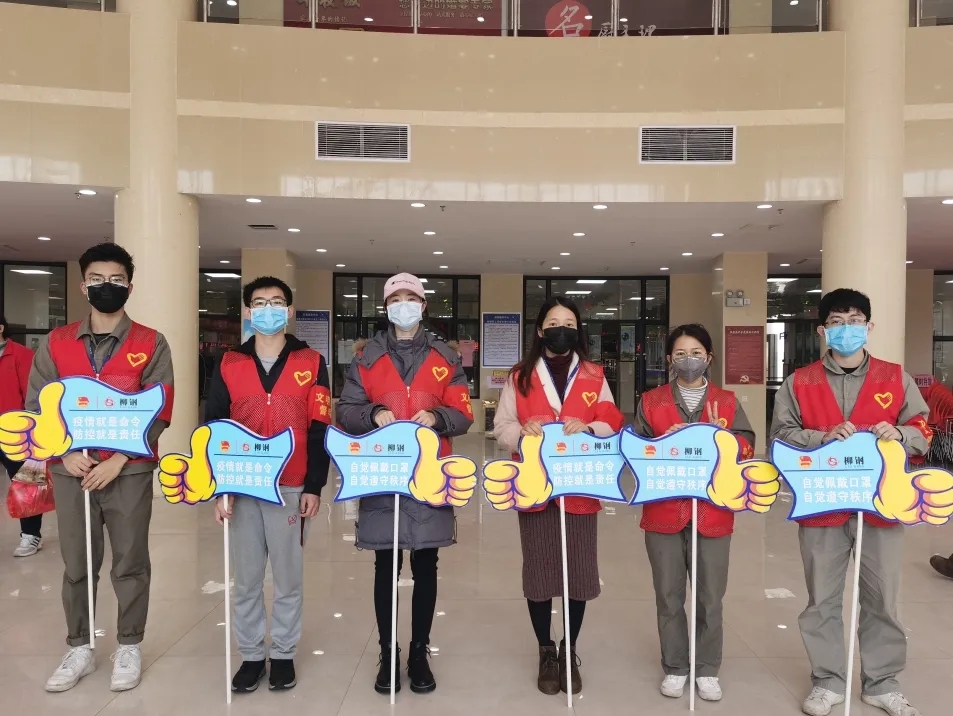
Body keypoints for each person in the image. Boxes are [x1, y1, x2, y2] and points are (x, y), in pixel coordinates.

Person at [769, 288, 932, 716]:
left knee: (882, 598)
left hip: (881, 504)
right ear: (822, 330)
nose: (847, 329)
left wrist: (901, 434)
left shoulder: (895, 378)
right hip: (822, 503)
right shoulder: (800, 382)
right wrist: (821, 437)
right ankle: (827, 681)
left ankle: (881, 682)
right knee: (822, 599)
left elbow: (922, 428)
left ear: (869, 326)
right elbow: (780, 435)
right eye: (837, 322)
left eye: (855, 321)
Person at [24, 243, 174, 693]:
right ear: (82, 285)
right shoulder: (57, 343)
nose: (107, 287)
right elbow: (38, 405)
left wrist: (122, 460)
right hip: (71, 470)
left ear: (130, 285)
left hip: (127, 472)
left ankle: (129, 644)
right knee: (77, 562)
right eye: (97, 279)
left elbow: (159, 407)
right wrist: (64, 454)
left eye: (116, 280)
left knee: (130, 561)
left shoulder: (150, 342)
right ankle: (80, 647)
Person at [336, 272, 474, 696]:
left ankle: (418, 652)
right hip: (383, 474)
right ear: (386, 307)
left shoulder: (445, 357)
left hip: (430, 474)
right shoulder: (366, 358)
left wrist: (437, 416)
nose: (403, 305)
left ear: (423, 305)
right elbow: (346, 410)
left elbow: (463, 413)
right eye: (395, 298)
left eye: (410, 297)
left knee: (427, 565)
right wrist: (372, 413)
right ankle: (388, 652)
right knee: (386, 563)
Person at [491, 296, 624, 696]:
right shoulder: (520, 376)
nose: (560, 329)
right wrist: (521, 431)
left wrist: (590, 426)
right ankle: (545, 650)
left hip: (579, 484)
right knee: (539, 572)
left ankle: (570, 649)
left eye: (568, 323)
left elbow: (611, 418)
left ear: (577, 330)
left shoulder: (594, 374)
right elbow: (502, 425)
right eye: (553, 323)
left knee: (578, 573)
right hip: (535, 485)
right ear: (540, 331)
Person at [205, 276, 332, 693]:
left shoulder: (311, 361)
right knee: (245, 579)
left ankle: (282, 654)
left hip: (291, 485)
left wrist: (314, 486)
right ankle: (250, 655)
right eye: (259, 303)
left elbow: (319, 426)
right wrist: (219, 488)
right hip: (242, 486)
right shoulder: (229, 363)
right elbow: (214, 428)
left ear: (289, 311)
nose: (268, 309)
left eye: (276, 302)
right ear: (247, 311)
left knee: (288, 578)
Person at [632, 324, 756, 703]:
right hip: (664, 510)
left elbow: (747, 446)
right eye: (681, 354)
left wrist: (723, 439)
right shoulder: (651, 402)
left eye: (697, 353)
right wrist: (660, 443)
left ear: (709, 358)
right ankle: (675, 666)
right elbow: (634, 450)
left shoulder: (727, 402)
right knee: (668, 594)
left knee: (710, 597)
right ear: (669, 359)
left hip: (713, 511)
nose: (690, 360)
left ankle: (706, 668)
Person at [0, 315, 41, 557]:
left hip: (14, 432)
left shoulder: (21, 355)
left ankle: (31, 535)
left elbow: (32, 396)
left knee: (27, 483)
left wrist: (31, 432)